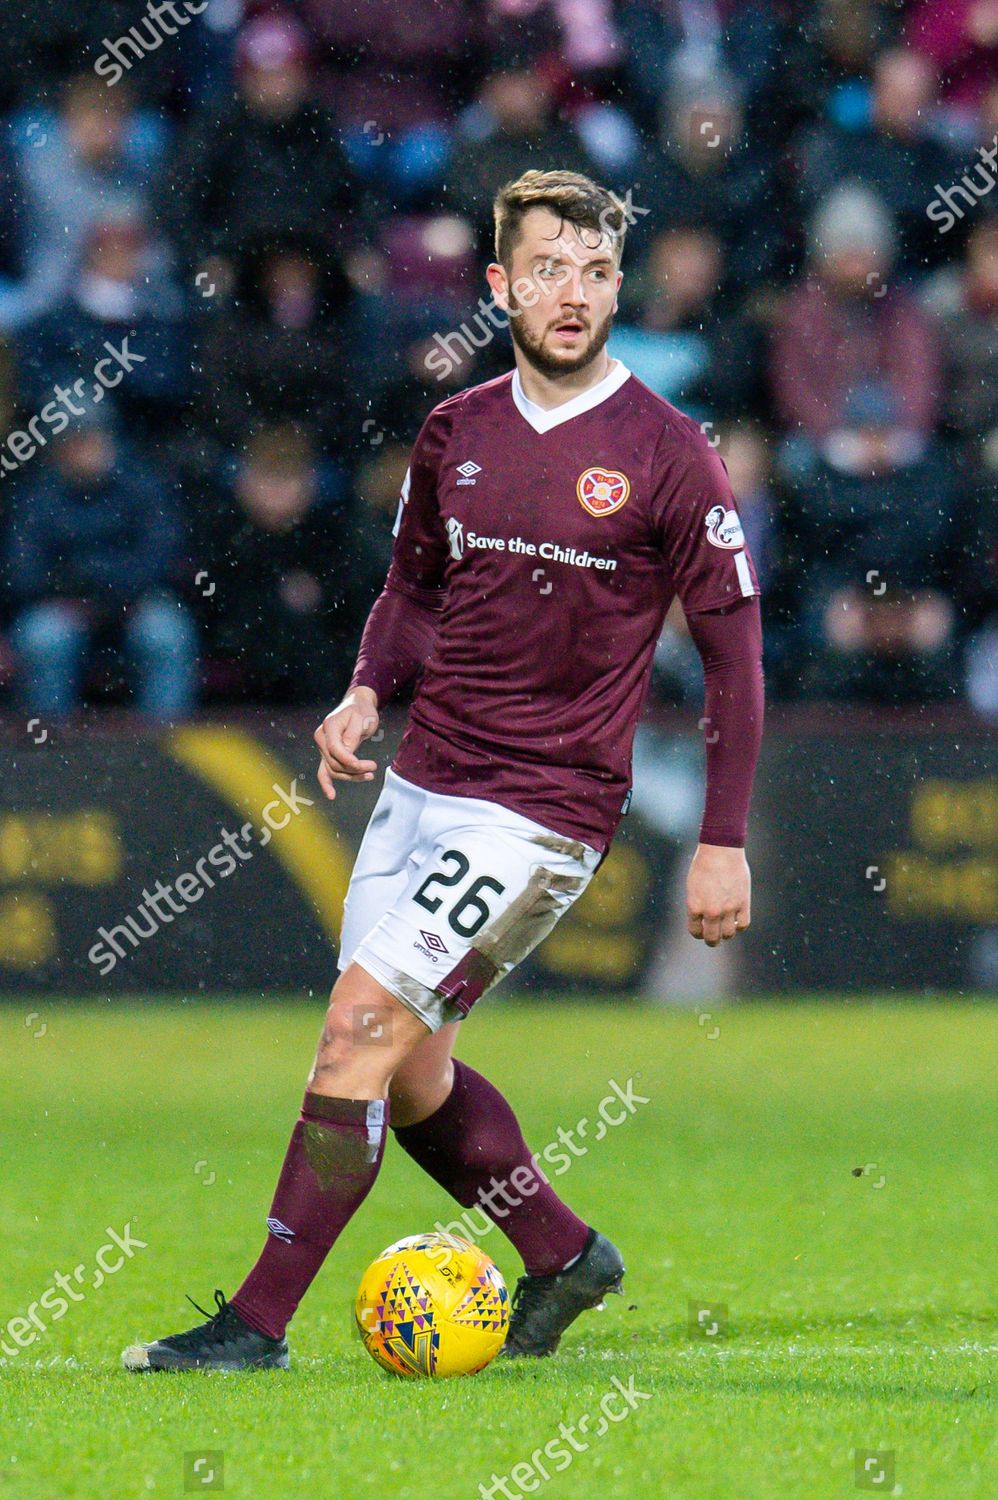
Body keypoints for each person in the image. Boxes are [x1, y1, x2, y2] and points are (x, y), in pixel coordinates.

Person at [123, 169, 764, 1373]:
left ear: (617, 284)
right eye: (545, 269)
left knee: (354, 1032)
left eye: (593, 270)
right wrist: (369, 685)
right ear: (497, 286)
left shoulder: (668, 455)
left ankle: (252, 1329)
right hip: (423, 786)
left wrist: (720, 837)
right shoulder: (456, 432)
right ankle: (566, 1255)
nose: (570, 294)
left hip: (543, 809)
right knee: (409, 1072)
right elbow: (415, 585)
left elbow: (735, 661)